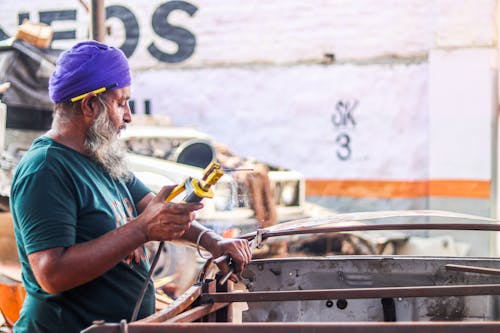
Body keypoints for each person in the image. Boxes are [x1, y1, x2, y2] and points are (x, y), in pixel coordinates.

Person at [10, 40, 252, 333]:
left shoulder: (100, 158)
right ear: (89, 105)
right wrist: (140, 230)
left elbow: (154, 210)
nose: (128, 116)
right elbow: (51, 274)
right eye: (121, 102)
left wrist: (213, 242)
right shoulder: (46, 168)